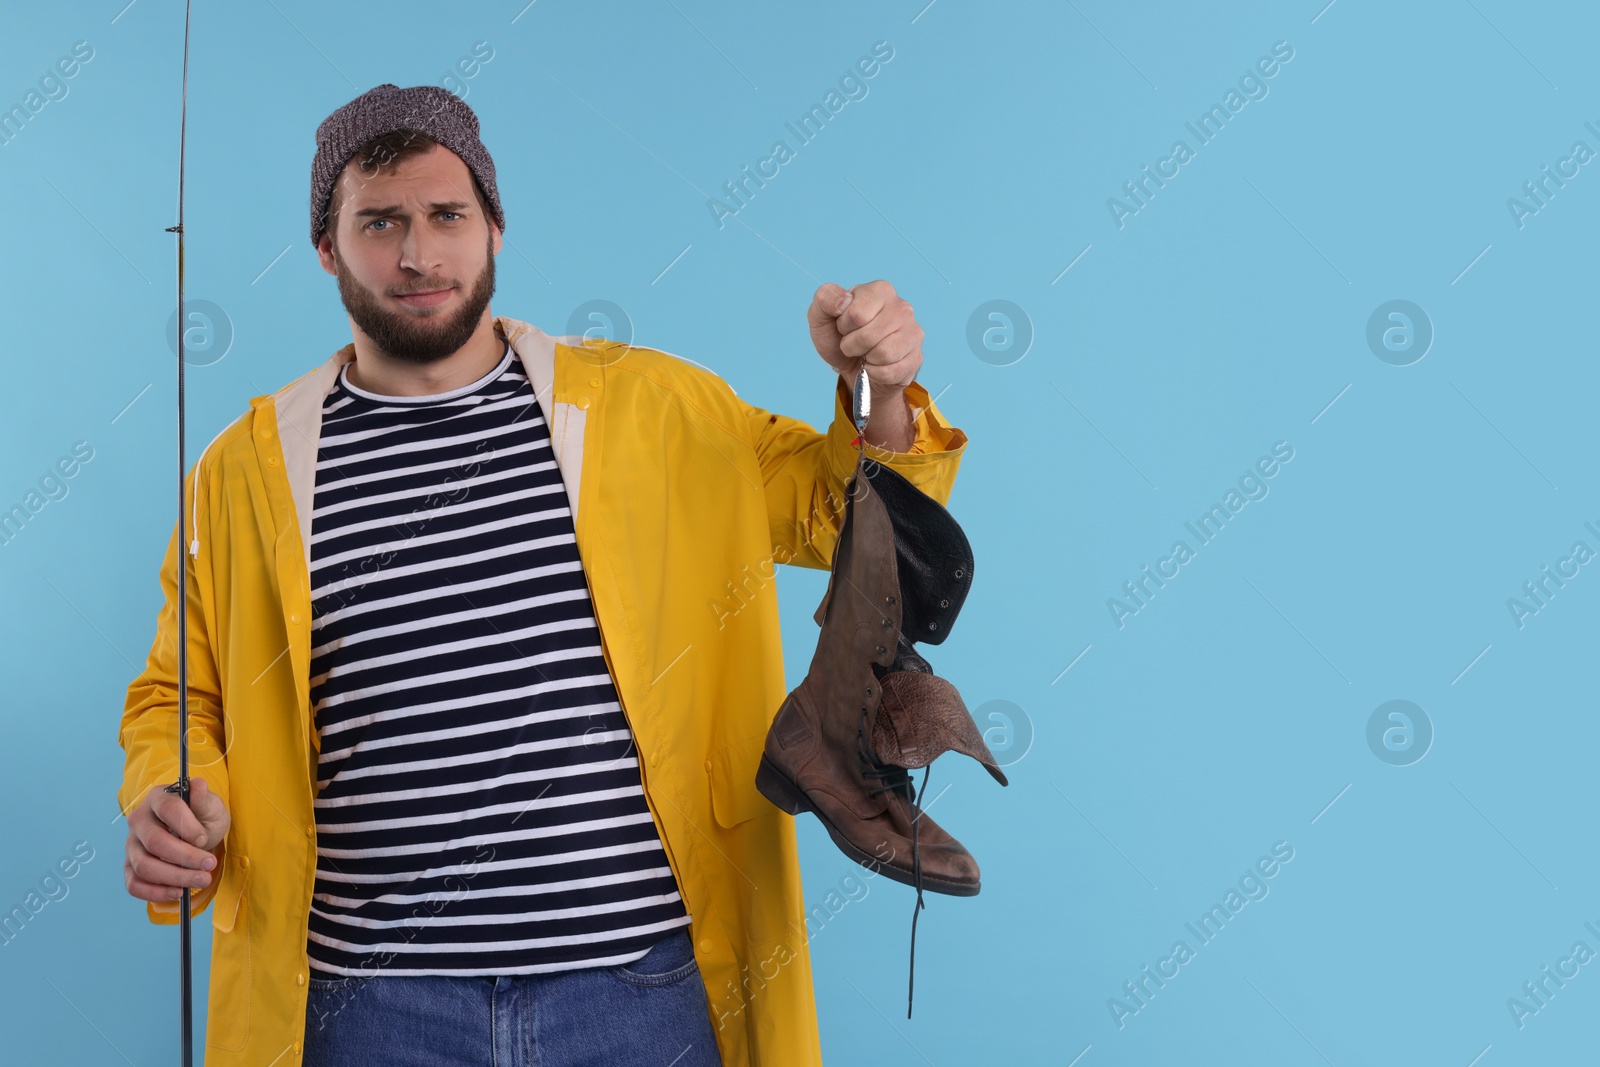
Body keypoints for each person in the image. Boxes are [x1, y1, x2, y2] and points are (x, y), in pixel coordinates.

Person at [116, 83, 967, 1067]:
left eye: (447, 216)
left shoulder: (655, 409)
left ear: (496, 228)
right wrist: (167, 793)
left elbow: (844, 518)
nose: (418, 254)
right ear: (326, 247)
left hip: (637, 992)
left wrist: (882, 390)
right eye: (379, 221)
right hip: (370, 1005)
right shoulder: (247, 467)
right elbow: (178, 694)